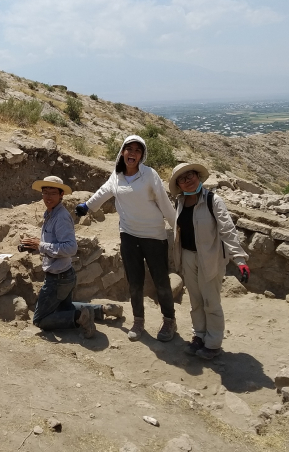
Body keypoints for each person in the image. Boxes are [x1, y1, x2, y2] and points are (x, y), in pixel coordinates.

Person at [75, 136, 177, 342]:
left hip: (154, 236)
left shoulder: (150, 175)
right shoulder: (117, 175)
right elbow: (104, 191)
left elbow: (164, 202)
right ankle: (138, 321)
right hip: (129, 235)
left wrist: (178, 227)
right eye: (129, 149)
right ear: (122, 152)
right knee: (134, 281)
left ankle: (169, 320)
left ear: (142, 156)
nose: (133, 153)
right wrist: (87, 206)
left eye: (138, 150)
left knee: (161, 281)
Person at [21, 176, 123, 338]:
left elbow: (70, 248)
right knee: (63, 309)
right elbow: (54, 245)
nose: (48, 197)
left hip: (58, 279)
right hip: (65, 275)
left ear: (61, 194)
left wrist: (41, 245)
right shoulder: (50, 214)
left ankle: (80, 318)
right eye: (45, 192)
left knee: (40, 320)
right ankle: (103, 310)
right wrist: (36, 246)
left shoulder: (61, 217)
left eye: (52, 193)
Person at [168, 162, 249, 359]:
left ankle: (213, 343)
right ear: (178, 185)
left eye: (190, 176)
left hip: (211, 257)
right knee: (195, 300)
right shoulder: (180, 202)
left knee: (211, 301)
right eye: (182, 179)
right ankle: (199, 336)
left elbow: (228, 230)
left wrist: (240, 259)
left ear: (198, 176)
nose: (187, 181)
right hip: (187, 256)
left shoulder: (213, 200)